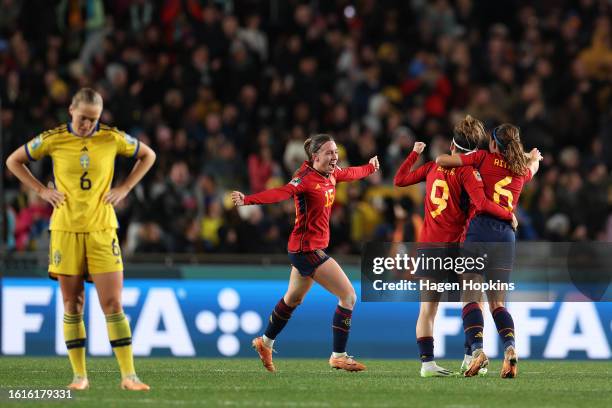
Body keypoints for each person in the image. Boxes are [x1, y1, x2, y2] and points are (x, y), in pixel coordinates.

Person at [5, 88, 156, 390]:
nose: (88, 125)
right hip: (65, 229)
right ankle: (79, 377)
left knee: (112, 303)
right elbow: (13, 161)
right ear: (71, 110)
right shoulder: (54, 138)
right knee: (72, 304)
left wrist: (125, 188)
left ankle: (129, 376)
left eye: (94, 119)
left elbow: (148, 155)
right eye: (84, 118)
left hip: (102, 229)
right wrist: (41, 190)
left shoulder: (111, 138)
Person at [231, 134, 378, 372]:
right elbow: (280, 193)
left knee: (293, 298)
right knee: (349, 296)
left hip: (306, 249)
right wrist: (248, 200)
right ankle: (338, 355)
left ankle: (265, 342)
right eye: (330, 152)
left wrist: (370, 168)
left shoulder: (331, 173)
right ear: (315, 156)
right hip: (306, 249)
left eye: (336, 152)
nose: (335, 157)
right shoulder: (304, 179)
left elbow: (350, 173)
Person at [394, 115, 516, 377]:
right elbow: (481, 205)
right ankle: (469, 356)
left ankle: (427, 364)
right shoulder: (470, 173)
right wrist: (508, 214)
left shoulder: (430, 168)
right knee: (472, 301)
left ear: (452, 144)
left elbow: (399, 180)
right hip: (456, 247)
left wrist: (413, 155)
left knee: (427, 309)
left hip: (428, 247)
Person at [436, 123, 542, 378]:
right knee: (497, 303)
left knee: (471, 297)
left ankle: (478, 352)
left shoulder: (482, 158)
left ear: (493, 144)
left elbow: (443, 160)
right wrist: (533, 157)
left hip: (479, 231)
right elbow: (533, 166)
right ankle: (510, 350)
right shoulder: (521, 171)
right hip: (506, 237)